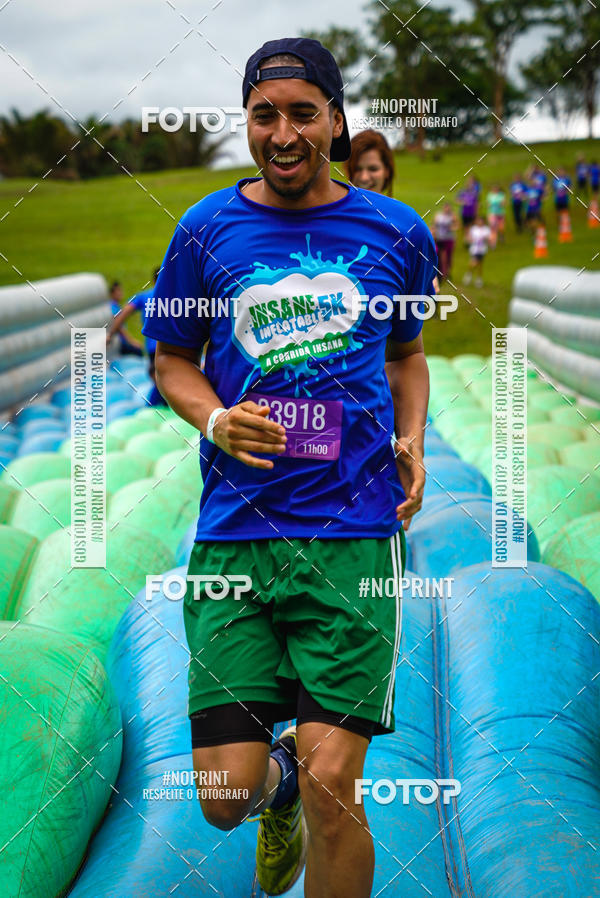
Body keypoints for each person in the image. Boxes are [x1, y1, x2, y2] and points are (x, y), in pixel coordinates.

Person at [142, 37, 435, 898]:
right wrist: (216, 418)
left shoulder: (396, 233)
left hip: (353, 536)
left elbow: (409, 354)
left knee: (333, 783)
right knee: (222, 797)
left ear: (336, 121)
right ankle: (273, 796)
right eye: (264, 113)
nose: (282, 131)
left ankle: (303, 793)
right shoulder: (205, 231)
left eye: (303, 112)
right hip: (235, 542)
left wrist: (411, 435)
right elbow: (170, 360)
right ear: (247, 122)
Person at [106, 268, 167, 406]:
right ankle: (156, 406)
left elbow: (123, 314)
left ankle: (153, 406)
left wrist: (110, 334)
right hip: (172, 345)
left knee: (159, 378)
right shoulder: (177, 297)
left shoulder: (144, 296)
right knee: (167, 380)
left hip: (154, 348)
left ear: (153, 280)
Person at [346, 129, 394, 196]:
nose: (364, 178)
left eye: (373, 169)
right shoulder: (336, 205)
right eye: (357, 169)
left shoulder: (398, 206)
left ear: (387, 171)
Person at [108, 281, 143, 356]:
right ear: (112, 294)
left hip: (119, 342)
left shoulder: (116, 306)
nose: (120, 293)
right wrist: (131, 341)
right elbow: (119, 327)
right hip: (118, 342)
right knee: (138, 351)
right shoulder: (112, 307)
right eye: (118, 291)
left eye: (120, 290)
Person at [433, 202, 458, 280]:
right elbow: (434, 225)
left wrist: (452, 228)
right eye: (445, 208)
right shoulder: (438, 215)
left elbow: (457, 225)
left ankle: (448, 272)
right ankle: (442, 273)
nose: (446, 209)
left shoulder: (452, 216)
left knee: (449, 256)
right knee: (441, 257)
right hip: (439, 238)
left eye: (448, 208)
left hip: (449, 239)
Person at [464, 215, 491, 287]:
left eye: (481, 220)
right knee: (473, 262)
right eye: (478, 220)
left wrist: (486, 239)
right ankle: (469, 274)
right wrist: (469, 240)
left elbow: (489, 239)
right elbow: (469, 237)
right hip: (474, 249)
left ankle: (478, 279)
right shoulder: (473, 229)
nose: (479, 222)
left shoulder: (486, 229)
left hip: (482, 249)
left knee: (480, 265)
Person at [457, 177, 479, 244]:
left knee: (471, 226)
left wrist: (476, 212)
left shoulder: (474, 193)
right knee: (465, 226)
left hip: (472, 212)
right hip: (464, 212)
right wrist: (463, 202)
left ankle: (470, 239)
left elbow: (476, 203)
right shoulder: (462, 192)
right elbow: (457, 200)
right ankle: (466, 240)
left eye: (471, 185)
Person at [486, 184, 506, 248]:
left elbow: (503, 203)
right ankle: (493, 242)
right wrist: (491, 204)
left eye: (496, 188)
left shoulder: (501, 195)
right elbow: (488, 204)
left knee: (501, 227)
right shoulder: (490, 195)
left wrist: (498, 204)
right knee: (493, 228)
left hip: (500, 213)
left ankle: (501, 235)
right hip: (492, 213)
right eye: (494, 188)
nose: (495, 190)